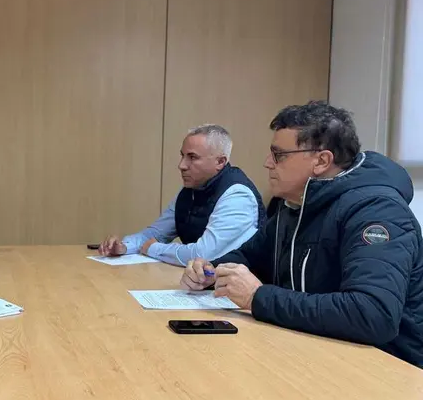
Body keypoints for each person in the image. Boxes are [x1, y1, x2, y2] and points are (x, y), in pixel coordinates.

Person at [181, 100, 423, 368]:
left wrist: (257, 298)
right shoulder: (295, 204)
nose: (267, 163)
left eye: (279, 155)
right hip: (314, 352)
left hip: (387, 368)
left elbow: (373, 314)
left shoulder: (377, 211)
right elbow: (249, 256)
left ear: (321, 161)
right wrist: (210, 271)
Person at [99, 124, 266, 266]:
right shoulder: (191, 191)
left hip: (238, 290)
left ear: (220, 162)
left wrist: (154, 249)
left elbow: (203, 255)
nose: (182, 165)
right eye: (182, 156)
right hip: (202, 283)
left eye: (192, 157)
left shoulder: (237, 195)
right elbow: (156, 233)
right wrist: (124, 246)